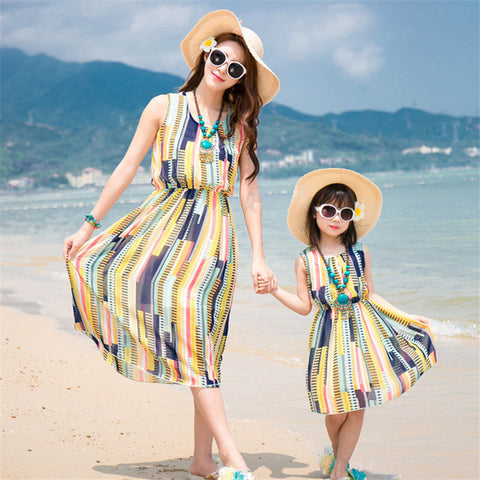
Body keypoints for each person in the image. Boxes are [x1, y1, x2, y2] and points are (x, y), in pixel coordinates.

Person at [63, 10, 279, 480]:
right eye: (220, 56)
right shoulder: (163, 107)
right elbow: (126, 168)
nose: (223, 68)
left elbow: (249, 192)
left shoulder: (237, 124)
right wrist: (88, 226)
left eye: (236, 67)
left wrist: (260, 255)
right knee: (192, 338)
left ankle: (204, 460)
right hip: (163, 230)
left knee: (204, 344)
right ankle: (234, 461)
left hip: (216, 243)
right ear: (206, 52)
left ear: (243, 79)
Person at [261, 168, 436, 480]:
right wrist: (275, 290)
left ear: (353, 217)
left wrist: (407, 317)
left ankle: (339, 470)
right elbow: (304, 307)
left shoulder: (360, 253)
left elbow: (372, 295)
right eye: (329, 210)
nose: (336, 218)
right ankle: (337, 456)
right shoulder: (305, 260)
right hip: (328, 340)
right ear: (314, 214)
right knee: (334, 409)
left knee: (358, 405)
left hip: (365, 336)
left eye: (345, 212)